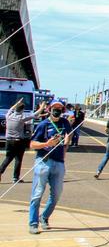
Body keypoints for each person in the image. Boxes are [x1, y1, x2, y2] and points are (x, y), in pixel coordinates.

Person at [27, 100, 72, 234]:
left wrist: (65, 144)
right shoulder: (43, 124)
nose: (57, 110)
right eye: (55, 108)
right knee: (37, 193)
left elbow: (68, 135)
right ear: (50, 109)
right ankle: (33, 223)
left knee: (56, 193)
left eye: (59, 108)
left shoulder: (64, 123)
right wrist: (47, 143)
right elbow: (32, 144)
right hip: (43, 161)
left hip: (58, 162)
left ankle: (44, 217)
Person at [1, 97, 34, 183]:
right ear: (22, 110)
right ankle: (15, 177)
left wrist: (17, 103)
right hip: (18, 140)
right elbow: (34, 115)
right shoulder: (21, 118)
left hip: (8, 140)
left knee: (8, 158)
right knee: (18, 159)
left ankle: (0, 171)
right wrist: (42, 108)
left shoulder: (8, 116)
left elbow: (10, 109)